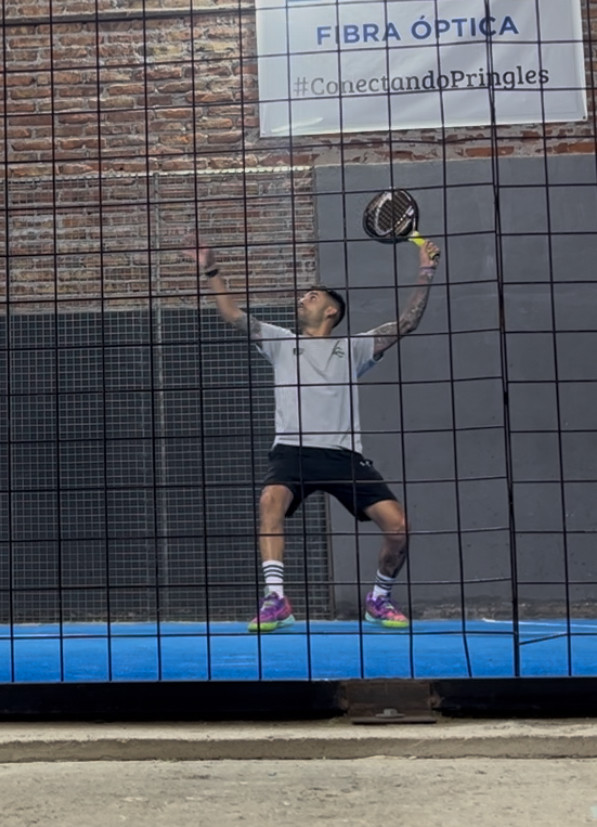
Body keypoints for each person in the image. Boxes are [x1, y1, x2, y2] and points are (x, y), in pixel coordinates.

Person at [192, 240, 440, 632]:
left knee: (399, 528)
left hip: (344, 456)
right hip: (292, 452)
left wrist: (426, 272)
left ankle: (379, 598)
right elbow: (232, 314)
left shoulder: (354, 348)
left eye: (312, 296)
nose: (302, 299)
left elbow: (406, 323)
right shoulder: (281, 341)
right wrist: (211, 269)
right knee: (270, 502)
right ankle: (276, 599)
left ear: (331, 310)